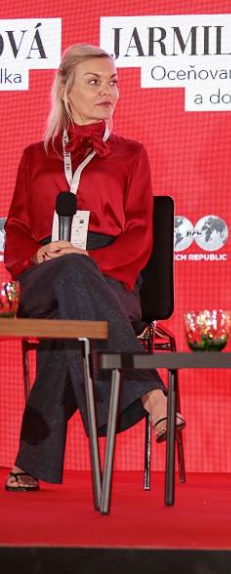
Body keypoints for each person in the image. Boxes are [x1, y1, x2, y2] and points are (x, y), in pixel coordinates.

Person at [3, 44, 182, 492]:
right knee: (68, 275)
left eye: (112, 82)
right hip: (45, 272)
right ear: (66, 90)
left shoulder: (132, 154)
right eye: (94, 81)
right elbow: (18, 226)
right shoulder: (35, 155)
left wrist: (90, 261)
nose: (108, 91)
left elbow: (140, 233)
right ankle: (150, 393)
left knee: (72, 314)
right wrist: (37, 256)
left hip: (110, 274)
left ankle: (30, 459)